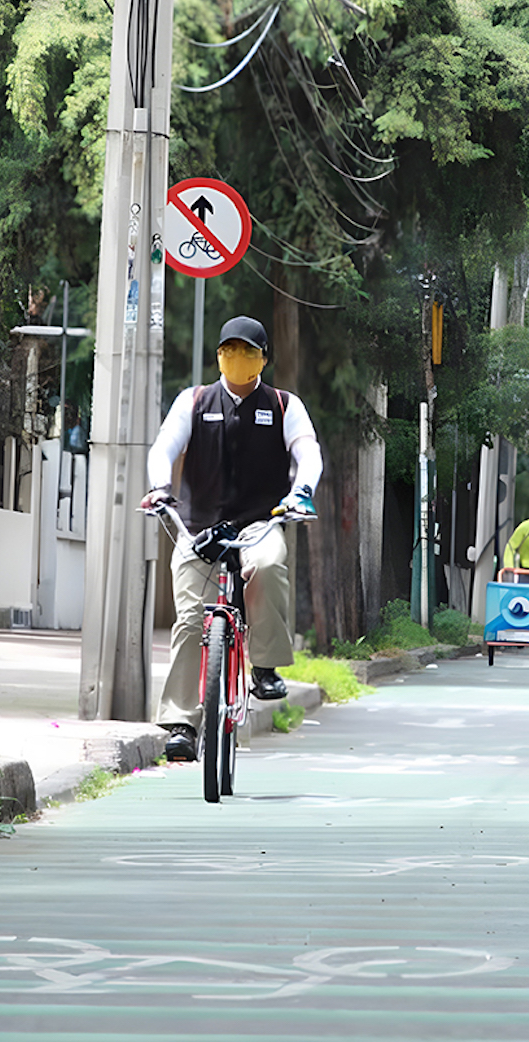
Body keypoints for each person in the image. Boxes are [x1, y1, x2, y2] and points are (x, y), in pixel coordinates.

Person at [141, 316, 323, 762]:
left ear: (263, 358)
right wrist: (160, 487)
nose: (237, 358)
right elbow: (164, 445)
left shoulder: (283, 405)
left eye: (247, 351)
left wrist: (302, 492)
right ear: (219, 355)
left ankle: (264, 665)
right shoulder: (195, 400)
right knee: (188, 620)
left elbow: (308, 451)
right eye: (229, 350)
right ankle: (182, 722)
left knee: (266, 567)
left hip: (260, 524)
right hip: (198, 527)